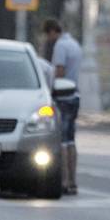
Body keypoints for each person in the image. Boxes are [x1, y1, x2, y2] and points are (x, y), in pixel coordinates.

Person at [43, 18, 82, 195]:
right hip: (74, 95)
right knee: (71, 140)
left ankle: (64, 181)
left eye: (48, 35)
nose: (48, 39)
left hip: (62, 96)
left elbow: (59, 71)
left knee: (63, 140)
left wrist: (49, 88)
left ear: (52, 31)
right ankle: (73, 180)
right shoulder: (74, 44)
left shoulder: (60, 46)